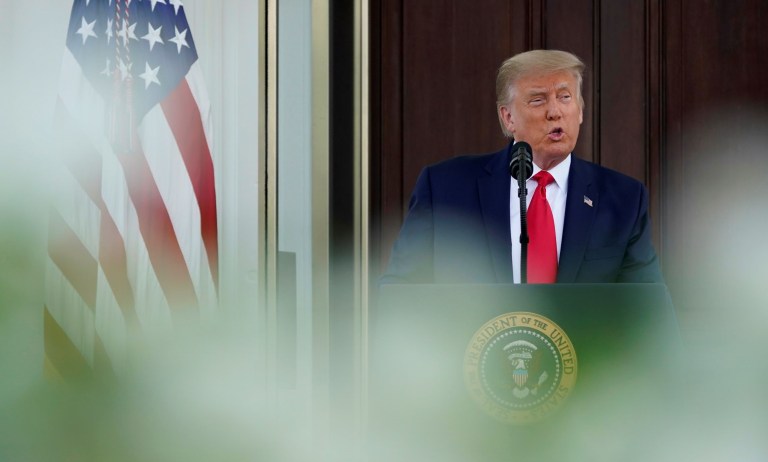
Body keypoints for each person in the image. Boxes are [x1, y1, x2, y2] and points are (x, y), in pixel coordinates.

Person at [381, 49, 663, 284]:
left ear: (580, 110)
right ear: (508, 118)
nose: (555, 112)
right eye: (538, 100)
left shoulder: (624, 199)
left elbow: (649, 313)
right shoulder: (444, 188)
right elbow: (402, 292)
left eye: (565, 97)